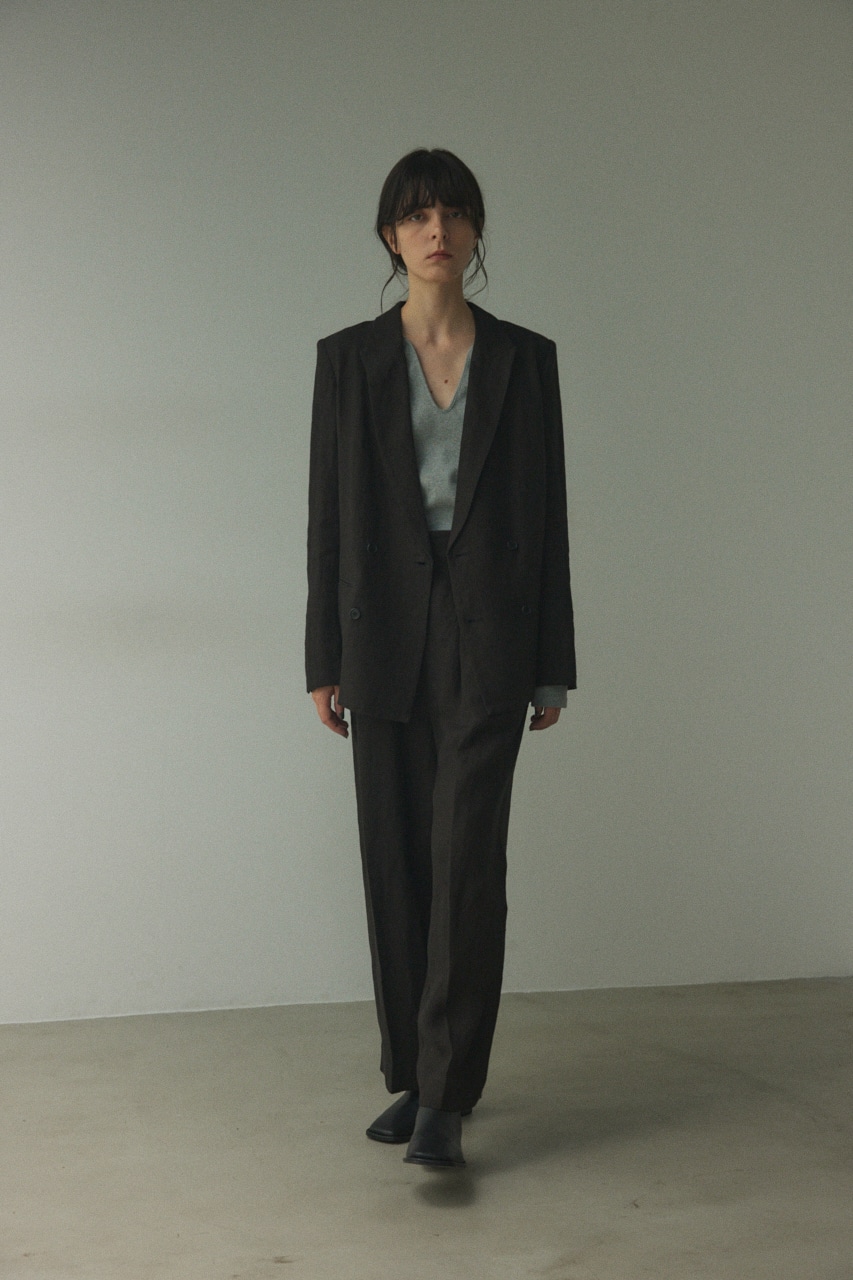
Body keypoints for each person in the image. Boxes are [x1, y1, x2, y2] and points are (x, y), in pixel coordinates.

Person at [305, 148, 575, 1169]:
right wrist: (321, 655)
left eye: (455, 213)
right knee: (396, 858)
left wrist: (551, 661)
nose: (437, 231)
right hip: (381, 637)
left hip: (489, 638)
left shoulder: (524, 360)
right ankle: (415, 1074)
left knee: (465, 860)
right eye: (418, 215)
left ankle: (449, 1093)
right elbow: (327, 517)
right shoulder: (347, 361)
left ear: (474, 232)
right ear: (390, 235)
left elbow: (548, 518)